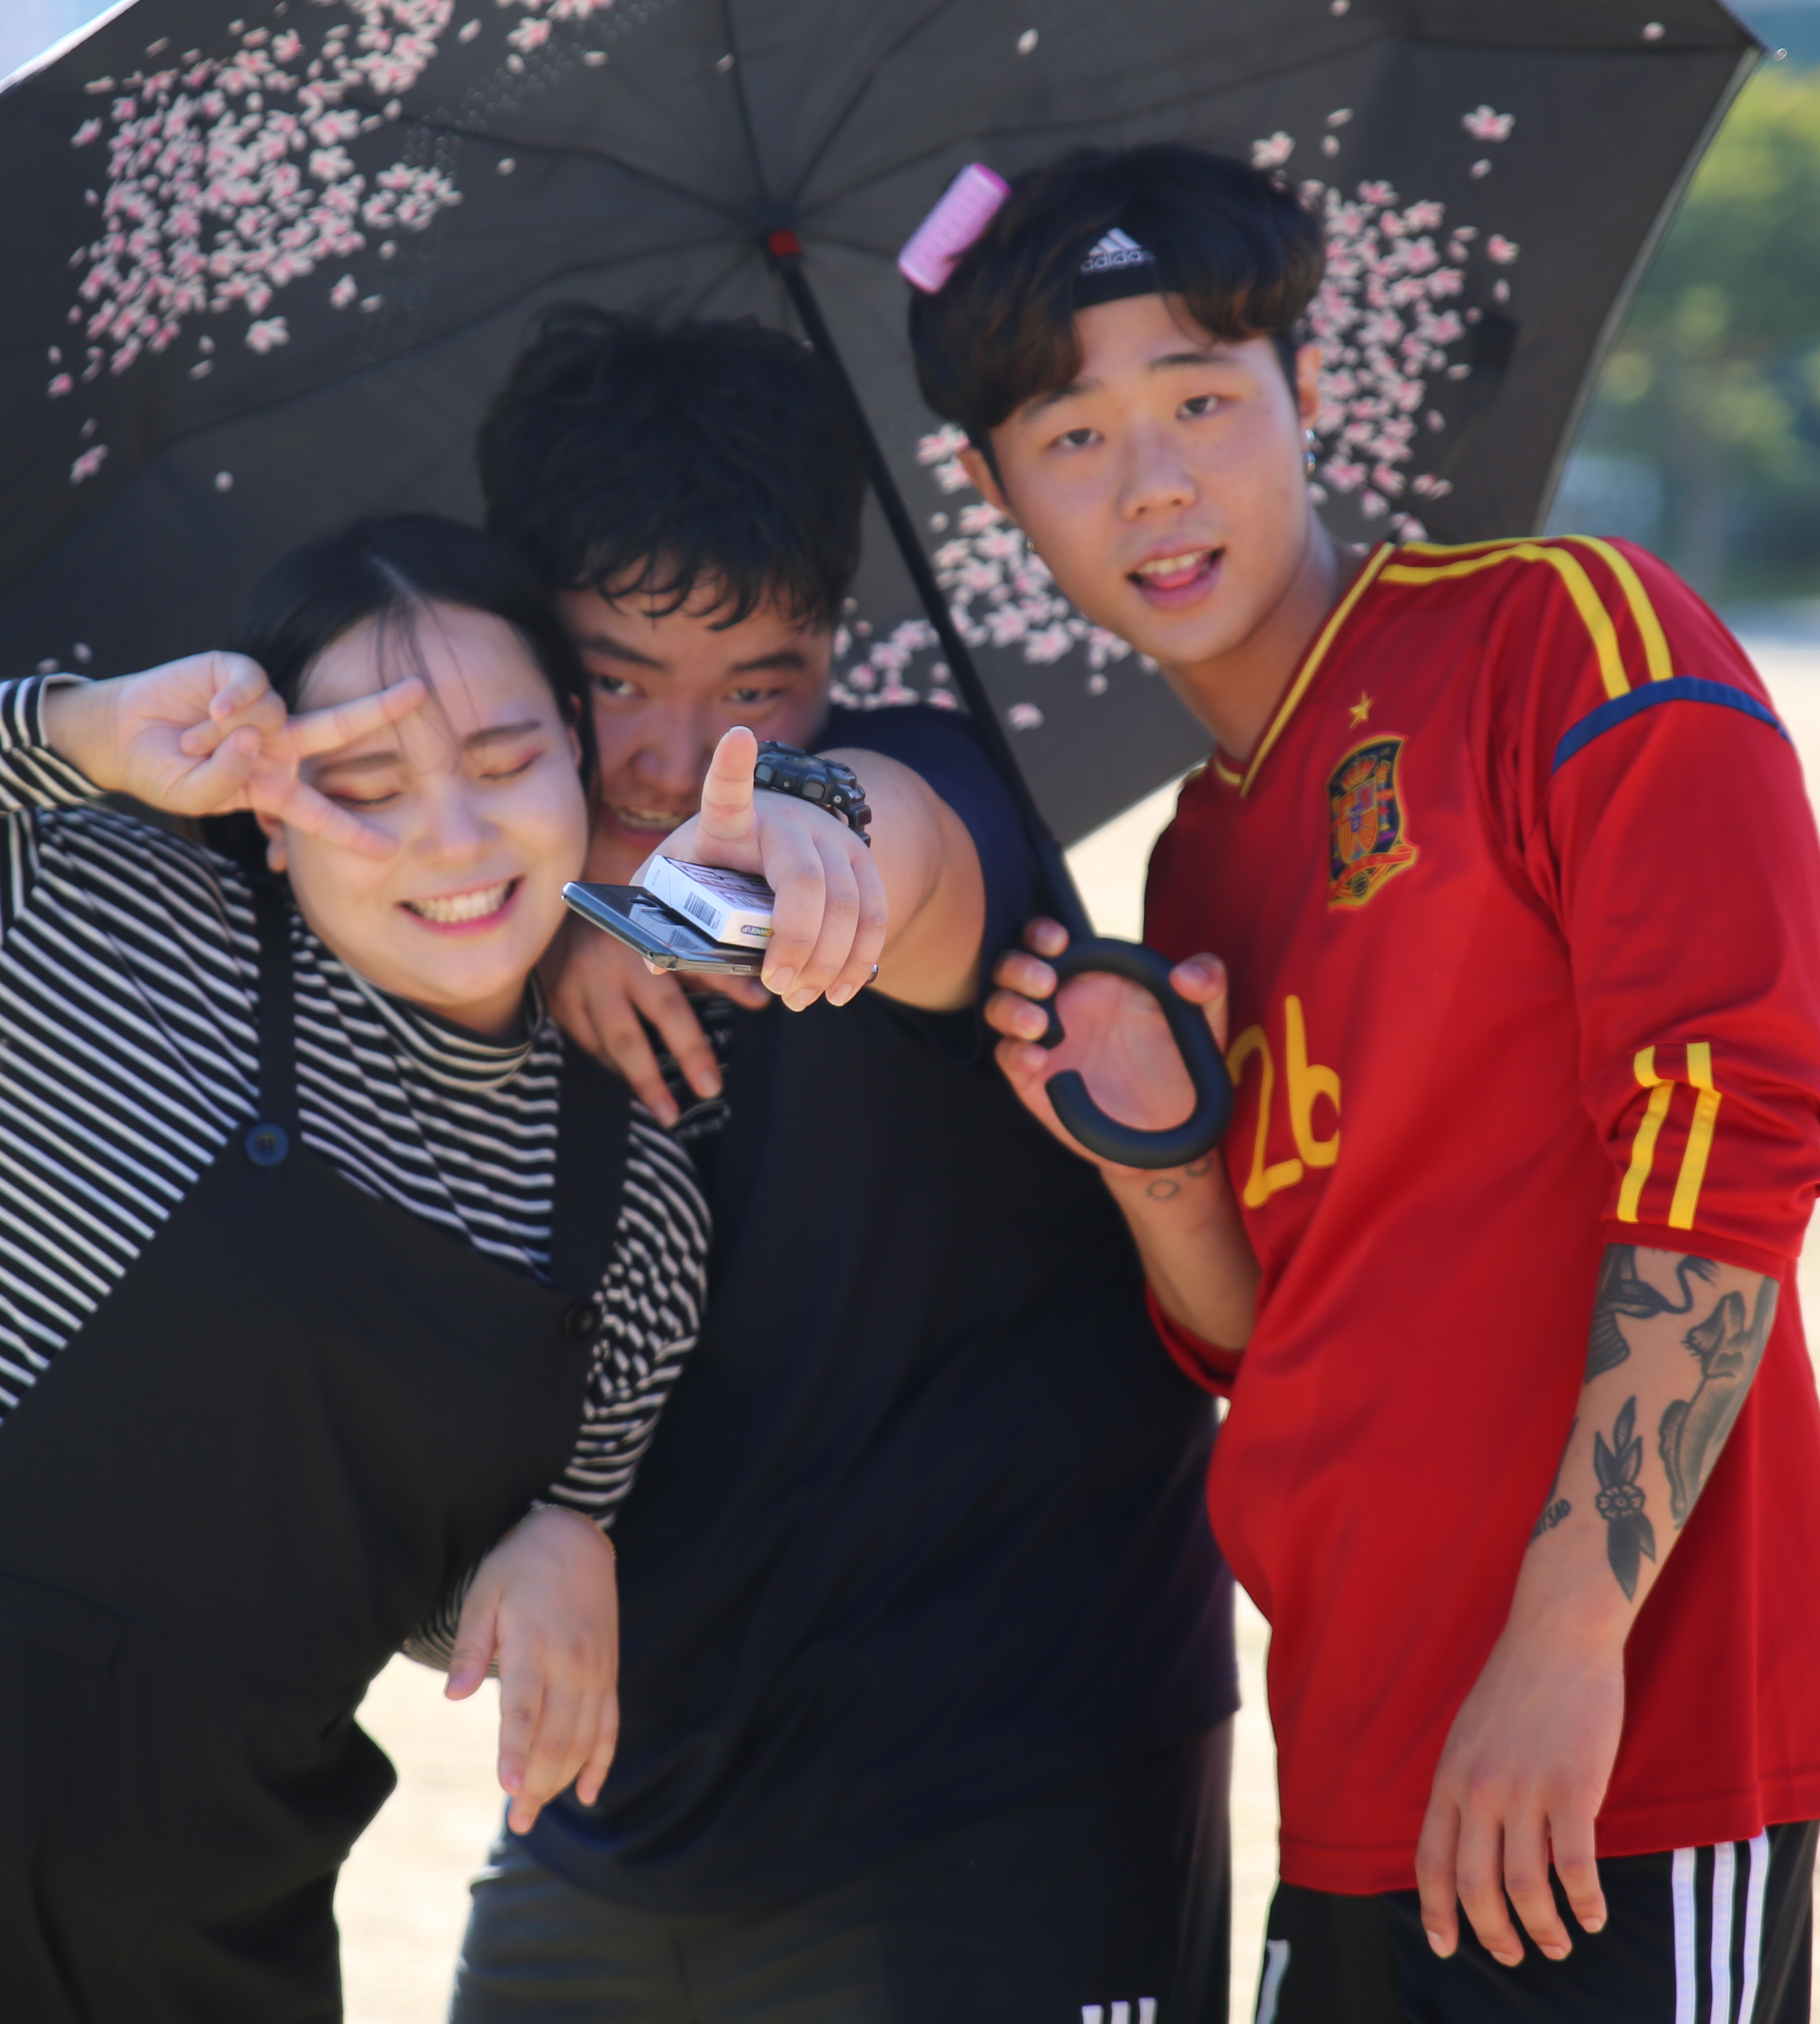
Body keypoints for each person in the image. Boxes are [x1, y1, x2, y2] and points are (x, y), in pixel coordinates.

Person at [0, 516, 881, 2022]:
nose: (454, 839)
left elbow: (416, 1609)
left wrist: (562, 1532)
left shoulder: (635, 1199)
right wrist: (79, 730)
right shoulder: (87, 922)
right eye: (366, 786)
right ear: (270, 815)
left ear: (574, 750)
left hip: (232, 1889)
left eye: (503, 763)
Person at [917, 143, 1820, 2022]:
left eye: (1201, 400)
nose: (1154, 482)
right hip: (1352, 1768)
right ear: (994, 495)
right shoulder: (1190, 872)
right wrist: (1152, 1160)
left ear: (1308, 389)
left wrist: (1568, 1641)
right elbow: (1263, 1338)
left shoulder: (1561, 634)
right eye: (1074, 439)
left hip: (1620, 1750)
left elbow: (1731, 1128)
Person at [448, 308, 1237, 2023]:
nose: (682, 759)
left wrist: (790, 848)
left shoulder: (926, 779)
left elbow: (889, 845)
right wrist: (563, 914)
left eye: (760, 686)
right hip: (617, 1812)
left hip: (1004, 1791)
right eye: (615, 678)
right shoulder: (468, 918)